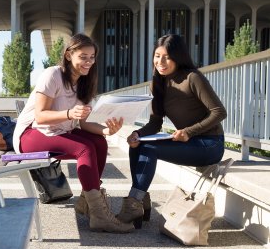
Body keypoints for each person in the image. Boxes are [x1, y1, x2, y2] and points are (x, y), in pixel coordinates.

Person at [13, 33, 133, 233]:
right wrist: (68, 113)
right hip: (31, 134)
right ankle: (99, 214)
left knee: (99, 142)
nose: (88, 62)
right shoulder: (53, 75)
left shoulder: (84, 82)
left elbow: (84, 124)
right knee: (84, 148)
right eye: (83, 57)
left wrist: (106, 130)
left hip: (57, 132)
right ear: (69, 55)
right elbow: (40, 116)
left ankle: (88, 200)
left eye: (92, 57)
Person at [118, 34, 227, 227]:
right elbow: (155, 123)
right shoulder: (157, 84)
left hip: (210, 144)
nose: (161, 62)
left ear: (178, 57)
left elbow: (219, 112)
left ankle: (134, 204)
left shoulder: (192, 78)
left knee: (150, 149)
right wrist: (138, 134)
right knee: (138, 145)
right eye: (157, 56)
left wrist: (189, 131)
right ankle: (140, 200)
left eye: (167, 57)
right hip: (188, 142)